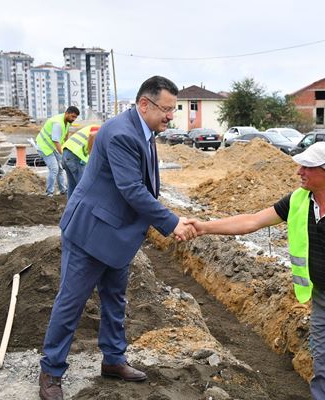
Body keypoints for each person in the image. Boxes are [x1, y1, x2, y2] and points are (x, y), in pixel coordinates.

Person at [188, 141, 325, 400]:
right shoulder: (298, 201)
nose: (299, 171)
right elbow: (253, 221)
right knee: (323, 372)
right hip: (321, 303)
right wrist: (203, 227)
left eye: (306, 167)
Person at [39, 76, 197, 400]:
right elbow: (132, 189)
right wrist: (172, 222)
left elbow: (142, 188)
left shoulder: (145, 131)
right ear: (144, 104)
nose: (171, 116)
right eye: (166, 109)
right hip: (91, 233)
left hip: (117, 235)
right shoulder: (123, 133)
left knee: (115, 301)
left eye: (173, 110)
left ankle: (113, 360)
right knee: (70, 304)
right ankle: (51, 372)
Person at [35, 106, 80, 196]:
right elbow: (56, 140)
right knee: (54, 169)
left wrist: (67, 146)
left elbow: (66, 133)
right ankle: (49, 193)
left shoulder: (67, 121)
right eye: (73, 116)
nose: (74, 119)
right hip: (44, 146)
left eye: (75, 117)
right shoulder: (57, 123)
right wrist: (64, 154)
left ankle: (63, 189)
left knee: (60, 168)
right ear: (67, 113)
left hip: (52, 146)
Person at [61, 124, 100, 198]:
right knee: (84, 186)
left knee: (72, 185)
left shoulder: (92, 127)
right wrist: (91, 156)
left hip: (66, 153)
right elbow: (92, 135)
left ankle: (71, 208)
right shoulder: (100, 128)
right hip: (75, 156)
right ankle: (84, 208)